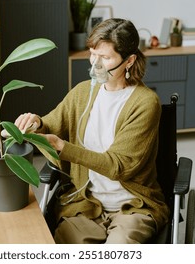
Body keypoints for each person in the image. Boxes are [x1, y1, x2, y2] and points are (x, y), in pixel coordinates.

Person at [15, 18, 169, 244]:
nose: (94, 63)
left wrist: (62, 147)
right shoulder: (83, 92)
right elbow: (53, 123)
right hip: (86, 202)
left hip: (132, 206)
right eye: (92, 54)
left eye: (105, 58)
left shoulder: (145, 103)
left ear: (129, 61)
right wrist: (36, 122)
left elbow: (118, 167)